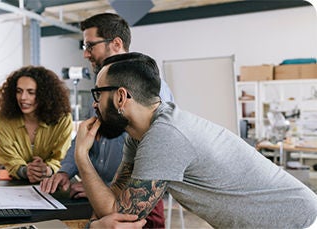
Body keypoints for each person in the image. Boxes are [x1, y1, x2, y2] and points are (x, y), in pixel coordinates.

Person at [74, 52, 317, 229]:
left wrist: (82, 157)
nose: (94, 103)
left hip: (297, 221)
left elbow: (119, 213)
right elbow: (114, 202)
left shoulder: (165, 135)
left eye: (98, 93)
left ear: (121, 97)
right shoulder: (139, 136)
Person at [40, 13, 171, 228]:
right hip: (103, 196)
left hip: (136, 201)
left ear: (116, 43)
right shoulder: (106, 88)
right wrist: (67, 171)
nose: (85, 54)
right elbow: (90, 133)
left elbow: (151, 166)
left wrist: (98, 186)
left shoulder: (151, 91)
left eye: (90, 46)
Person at [0, 65, 73, 183]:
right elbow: (9, 159)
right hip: (16, 185)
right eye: (19, 91)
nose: (23, 98)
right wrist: (26, 171)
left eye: (31, 92)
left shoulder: (63, 119)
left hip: (55, 183)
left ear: (44, 95)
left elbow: (62, 157)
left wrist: (47, 170)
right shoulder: (1, 121)